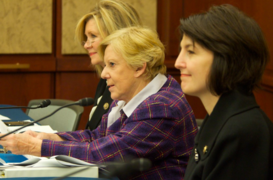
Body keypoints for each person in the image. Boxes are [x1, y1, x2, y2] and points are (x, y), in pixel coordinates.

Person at [0, 27, 198, 179]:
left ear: (139, 67)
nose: (104, 74)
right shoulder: (130, 95)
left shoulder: (161, 107)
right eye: (105, 65)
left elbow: (106, 153)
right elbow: (97, 136)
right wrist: (53, 138)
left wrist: (37, 147)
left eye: (112, 65)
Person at [175, 4, 273, 179]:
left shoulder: (242, 131)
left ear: (225, 57)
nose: (177, 62)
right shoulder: (219, 118)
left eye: (190, 51)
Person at [75, 0, 142, 130]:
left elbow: (109, 145)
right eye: (86, 38)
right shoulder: (105, 80)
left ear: (116, 35)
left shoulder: (132, 86)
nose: (86, 45)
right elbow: (94, 135)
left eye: (93, 36)